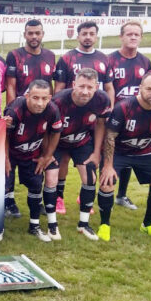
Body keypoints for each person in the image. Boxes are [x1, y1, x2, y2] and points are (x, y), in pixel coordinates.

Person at [97, 72, 151, 242]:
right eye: (149, 88)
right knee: (107, 181)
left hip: (144, 152)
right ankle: (104, 224)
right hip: (119, 151)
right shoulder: (124, 107)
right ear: (140, 88)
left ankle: (148, 224)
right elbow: (110, 137)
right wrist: (108, 165)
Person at [4, 19, 56, 217]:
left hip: (41, 113)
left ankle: (36, 199)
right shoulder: (15, 55)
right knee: (10, 154)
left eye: (37, 33)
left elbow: (52, 86)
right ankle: (8, 200)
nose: (34, 36)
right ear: (24, 34)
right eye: (30, 33)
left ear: (43, 34)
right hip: (19, 113)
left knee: (37, 154)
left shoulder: (50, 56)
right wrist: (11, 110)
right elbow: (10, 85)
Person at [51, 68, 110, 240]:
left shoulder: (102, 99)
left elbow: (100, 125)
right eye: (81, 86)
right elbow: (49, 130)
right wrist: (48, 153)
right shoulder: (59, 100)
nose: (85, 91)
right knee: (53, 175)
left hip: (82, 142)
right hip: (59, 142)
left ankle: (83, 224)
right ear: (74, 84)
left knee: (90, 177)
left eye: (90, 87)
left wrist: (97, 152)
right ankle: (55, 207)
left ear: (96, 87)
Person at [4, 80, 63, 242]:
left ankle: (34, 226)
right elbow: (4, 135)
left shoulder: (52, 110)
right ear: (27, 95)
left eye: (44, 99)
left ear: (49, 98)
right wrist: (5, 159)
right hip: (11, 153)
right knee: (3, 186)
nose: (40, 103)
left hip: (32, 154)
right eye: (35, 98)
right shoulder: (15, 109)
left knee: (36, 185)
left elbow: (56, 132)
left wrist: (47, 156)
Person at [107, 21, 151, 211]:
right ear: (121, 36)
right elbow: (106, 89)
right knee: (107, 157)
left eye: (137, 34)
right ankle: (88, 192)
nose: (133, 37)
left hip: (138, 119)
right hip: (115, 118)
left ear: (141, 37)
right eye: (129, 34)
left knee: (130, 154)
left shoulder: (145, 62)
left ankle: (121, 195)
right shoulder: (109, 60)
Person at [53, 21, 115, 105]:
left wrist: (110, 108)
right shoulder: (66, 58)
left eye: (92, 34)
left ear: (96, 37)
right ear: (78, 37)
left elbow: (109, 88)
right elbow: (59, 89)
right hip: (72, 108)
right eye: (84, 34)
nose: (88, 37)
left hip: (97, 107)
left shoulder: (104, 58)